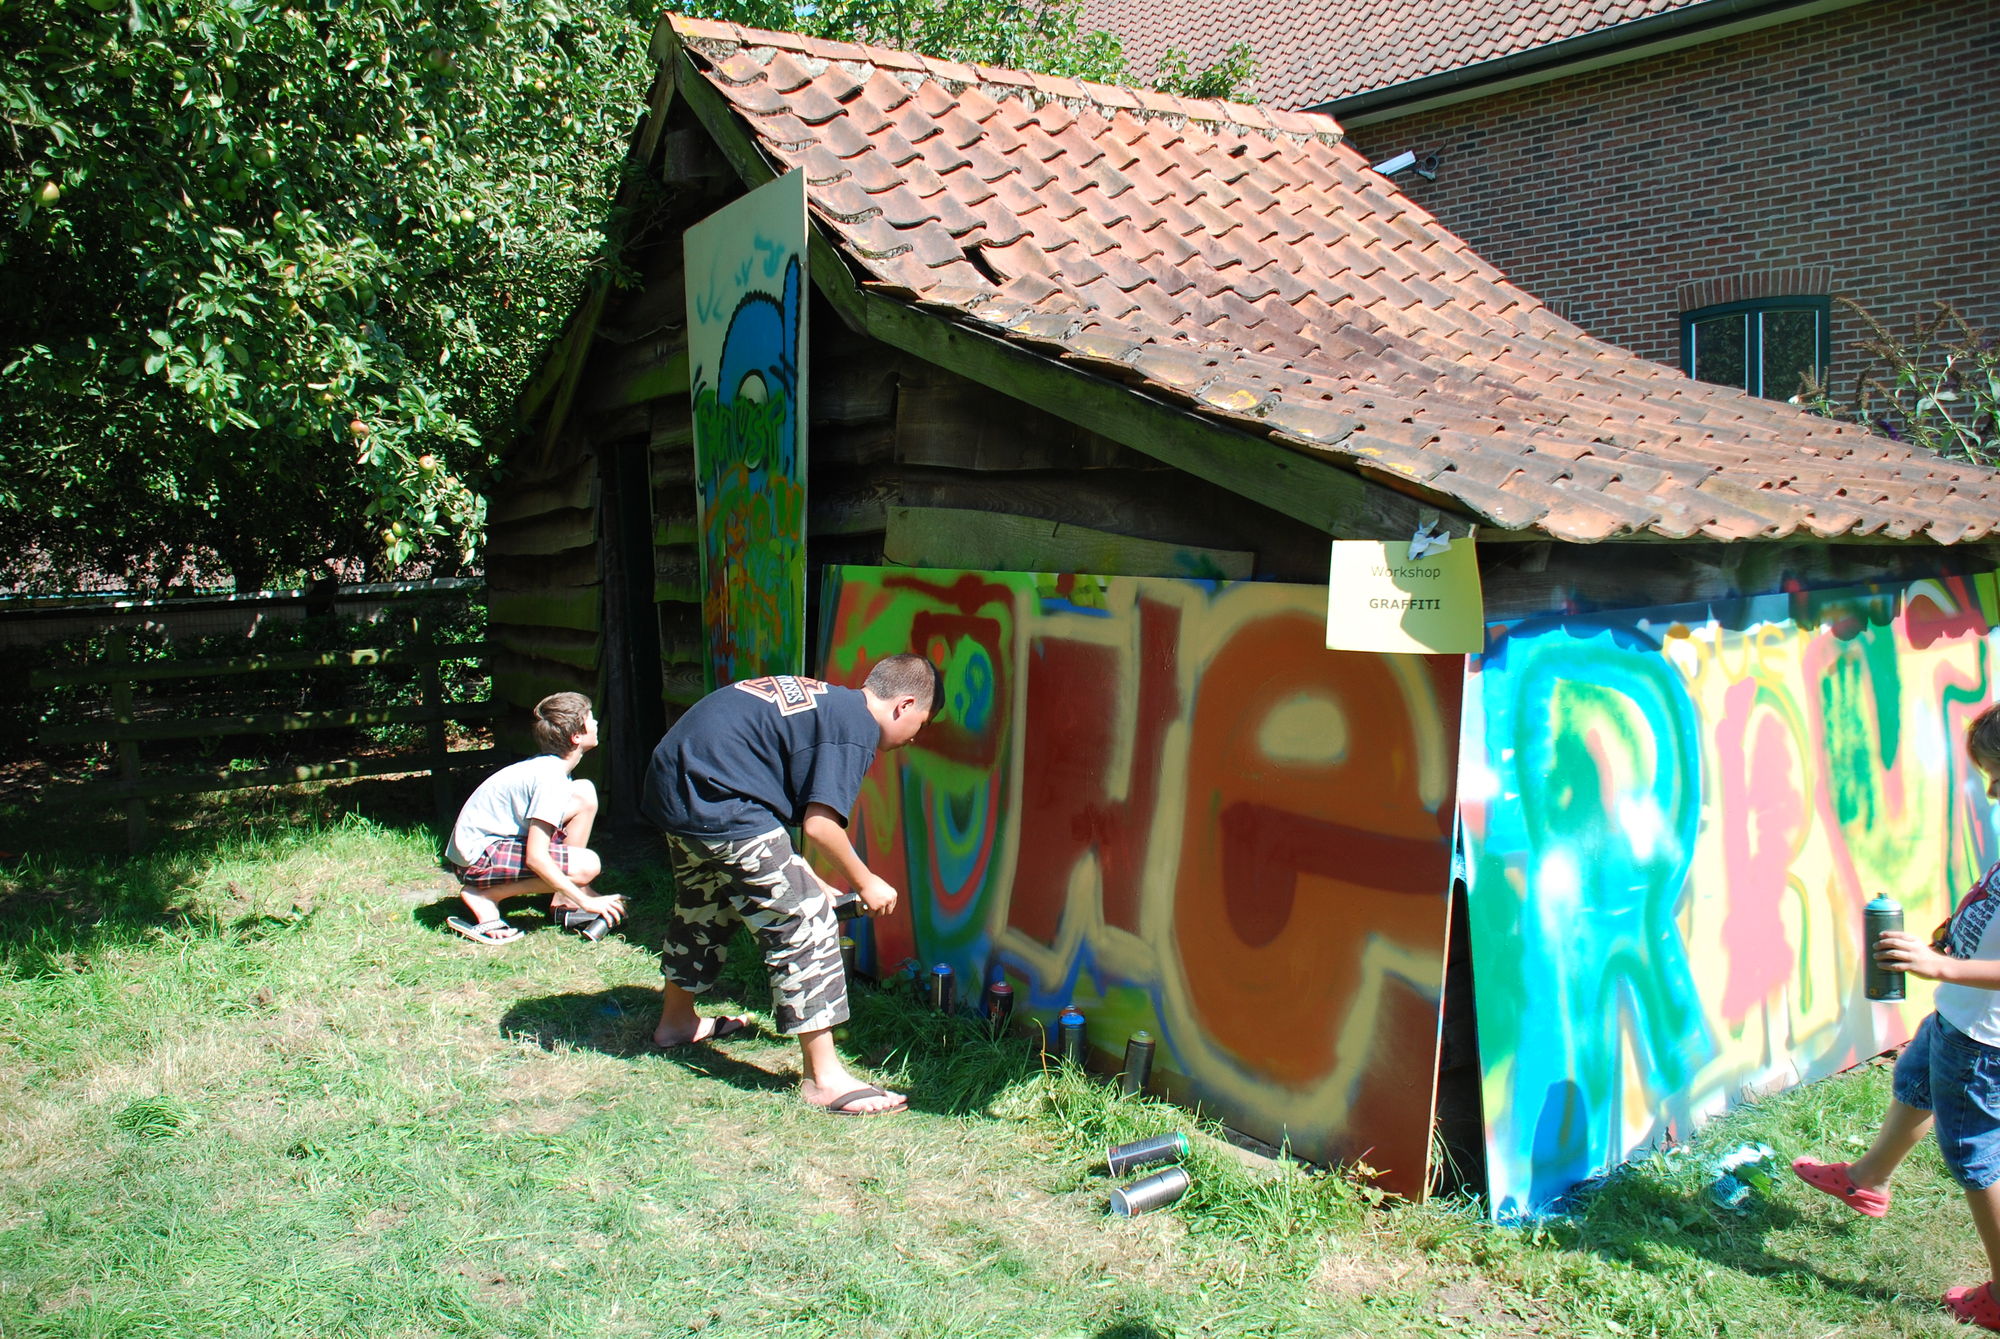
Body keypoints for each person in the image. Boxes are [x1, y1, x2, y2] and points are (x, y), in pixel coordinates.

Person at [639, 655, 939, 1117]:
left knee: (706, 904)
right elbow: (820, 827)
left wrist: (808, 876)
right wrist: (867, 881)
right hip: (720, 796)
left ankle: (676, 1024)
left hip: (677, 784)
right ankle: (824, 1080)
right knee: (807, 922)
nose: (915, 737)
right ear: (905, 704)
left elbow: (768, 803)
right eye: (919, 724)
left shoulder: (828, 705)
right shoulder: (856, 728)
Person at [1793, 702, 2000, 1331]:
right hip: (1961, 1019)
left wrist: (1942, 969)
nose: (1991, 789)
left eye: (1999, 776)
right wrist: (1954, 938)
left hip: (1984, 1038)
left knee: (1974, 1157)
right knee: (1915, 1078)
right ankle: (1867, 1180)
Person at [443, 691, 626, 945]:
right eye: (590, 719)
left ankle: (564, 898)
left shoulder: (550, 768)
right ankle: (485, 895)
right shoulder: (550, 779)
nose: (596, 723)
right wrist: (587, 901)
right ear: (576, 737)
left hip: (487, 846)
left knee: (584, 793)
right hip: (477, 858)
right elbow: (536, 857)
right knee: (587, 865)